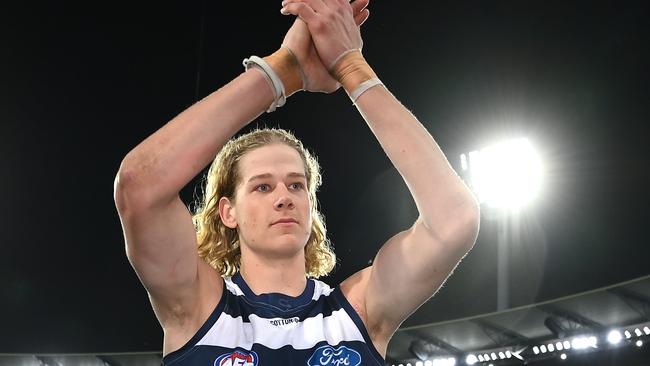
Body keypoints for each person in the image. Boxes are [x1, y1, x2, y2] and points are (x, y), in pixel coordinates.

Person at [114, 0, 480, 365]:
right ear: (228, 211)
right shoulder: (197, 307)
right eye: (262, 186)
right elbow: (140, 184)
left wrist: (350, 66)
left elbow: (454, 221)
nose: (284, 198)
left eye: (296, 185)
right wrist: (281, 71)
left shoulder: (357, 311)